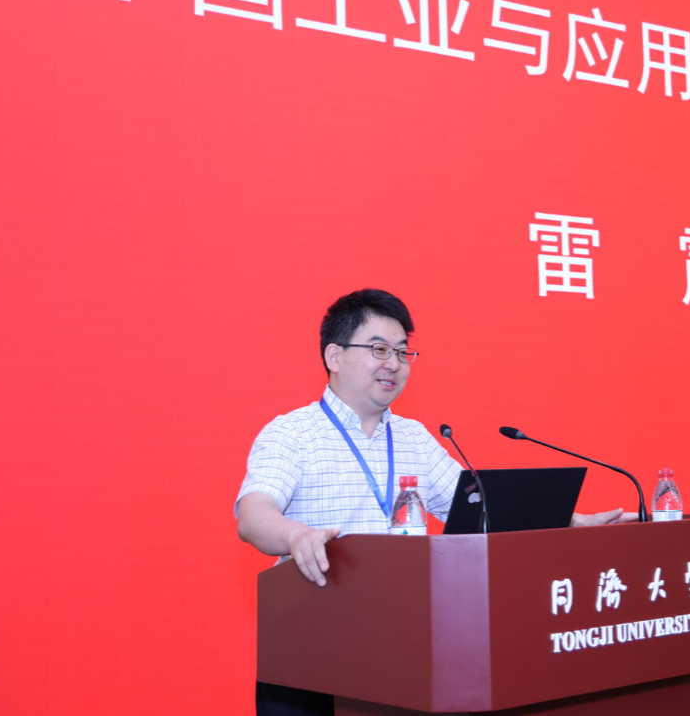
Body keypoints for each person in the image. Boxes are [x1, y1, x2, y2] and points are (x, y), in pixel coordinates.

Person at [237, 289, 632, 714]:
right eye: (379, 349)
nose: (394, 364)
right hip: (313, 653)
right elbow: (253, 514)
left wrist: (571, 521)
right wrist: (296, 535)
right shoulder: (292, 433)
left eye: (402, 352)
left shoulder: (414, 437)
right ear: (334, 356)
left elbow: (481, 510)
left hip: (399, 651)